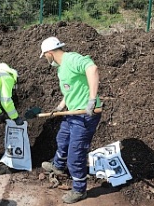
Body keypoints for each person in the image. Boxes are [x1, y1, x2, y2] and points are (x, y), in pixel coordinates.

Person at [39, 37, 102, 204]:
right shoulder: (61, 69)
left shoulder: (72, 59)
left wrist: (92, 99)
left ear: (49, 53)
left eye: (45, 55)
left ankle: (80, 190)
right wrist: (60, 107)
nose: (46, 59)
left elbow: (93, 69)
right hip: (72, 113)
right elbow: (70, 91)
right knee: (62, 138)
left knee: (76, 153)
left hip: (85, 115)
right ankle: (58, 166)